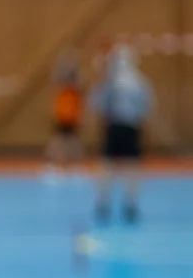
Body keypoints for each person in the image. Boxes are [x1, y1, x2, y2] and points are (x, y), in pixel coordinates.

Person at [92, 42, 154, 222]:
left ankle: (103, 204)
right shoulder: (140, 82)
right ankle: (130, 204)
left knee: (107, 166)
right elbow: (145, 108)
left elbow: (99, 105)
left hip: (115, 127)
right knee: (133, 168)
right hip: (131, 128)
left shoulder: (109, 81)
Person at [45, 56, 85, 174]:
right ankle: (56, 161)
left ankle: (73, 162)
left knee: (70, 140)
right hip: (63, 116)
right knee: (61, 140)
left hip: (70, 117)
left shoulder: (73, 91)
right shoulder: (63, 91)